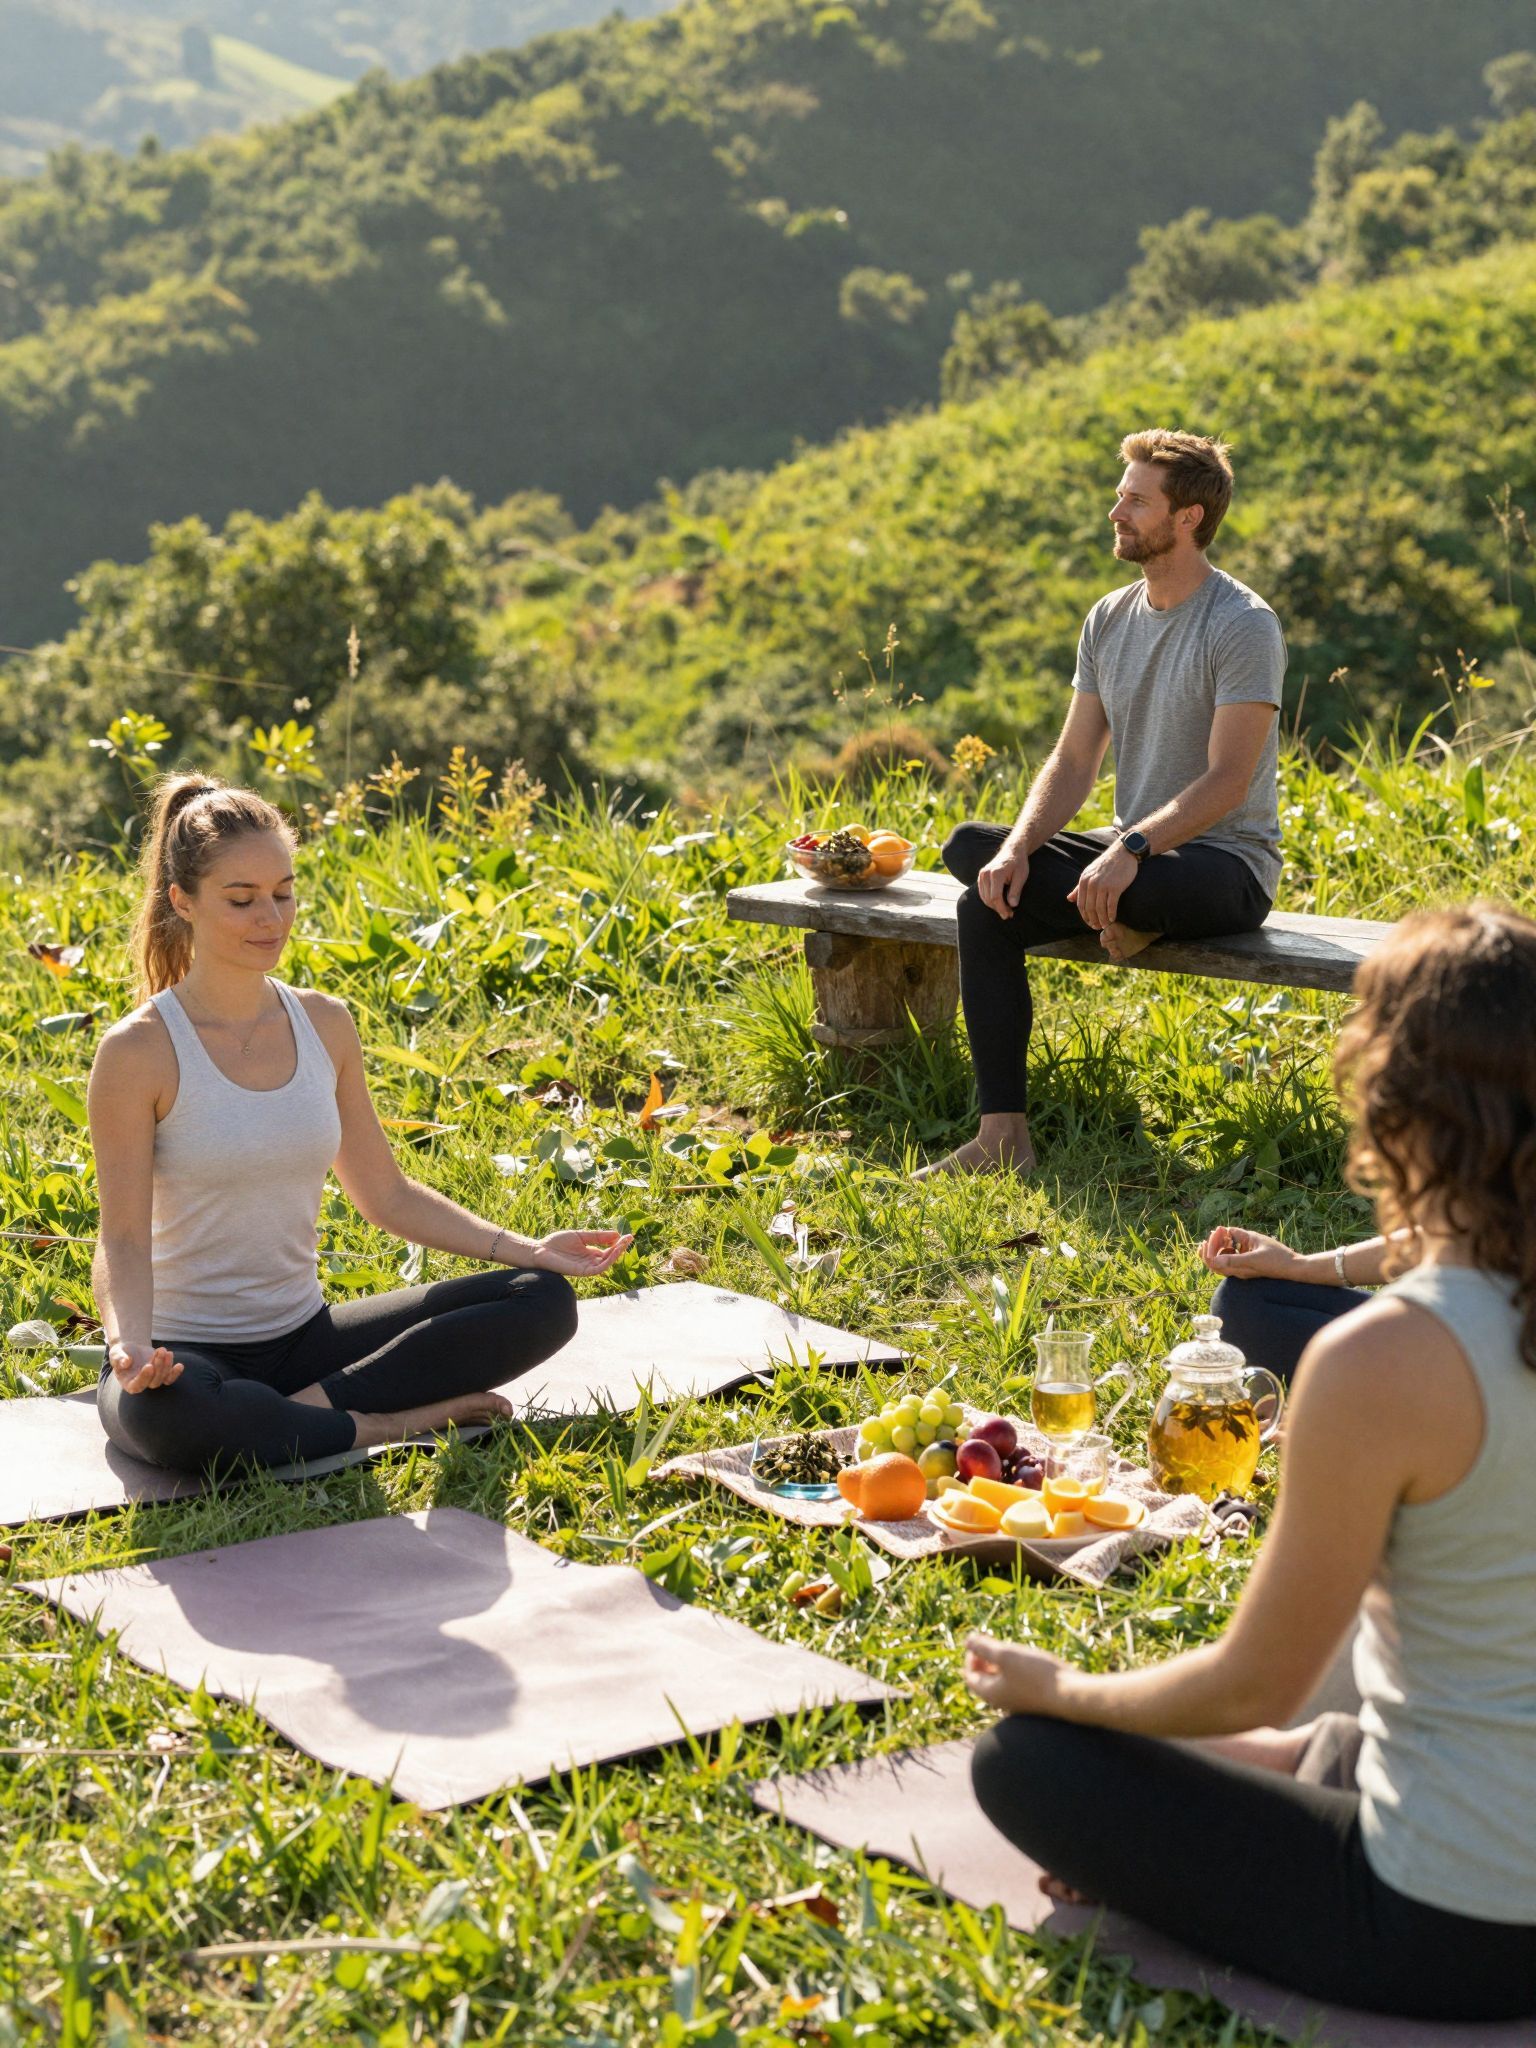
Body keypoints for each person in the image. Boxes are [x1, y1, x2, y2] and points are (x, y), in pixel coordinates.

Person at [962, 904, 1536, 2023]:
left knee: (1023, 1759)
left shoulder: (1384, 1356)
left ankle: (1241, 1786)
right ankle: (1285, 1767)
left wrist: (1065, 1690)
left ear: (1393, 1104)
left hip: (1460, 1927)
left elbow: (1255, 1678)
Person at [90, 774, 632, 1478]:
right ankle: (383, 1423)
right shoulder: (137, 1052)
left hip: (306, 1341)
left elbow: (387, 1196)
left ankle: (298, 1415)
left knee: (541, 1301)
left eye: (283, 893)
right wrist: (129, 1347)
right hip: (186, 1353)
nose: (272, 918)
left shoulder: (324, 1023)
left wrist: (528, 1248)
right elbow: (122, 1238)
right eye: (242, 899)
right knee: (173, 1418)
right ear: (182, 901)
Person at [922, 428, 1285, 1178]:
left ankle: (1138, 909)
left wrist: (1131, 852)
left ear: (1187, 519)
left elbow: (1227, 780)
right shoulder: (1109, 617)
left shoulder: (1243, 624)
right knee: (976, 866)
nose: (1116, 510)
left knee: (1065, 880)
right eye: (1120, 494)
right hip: (1125, 857)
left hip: (1220, 867)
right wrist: (1020, 847)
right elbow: (1074, 756)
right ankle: (1003, 1137)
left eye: (1135, 499)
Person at [1198, 1223, 1400, 1383]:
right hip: (1415, 1321)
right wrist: (1294, 1265)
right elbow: (1424, 1244)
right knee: (1241, 1299)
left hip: (1423, 1346)